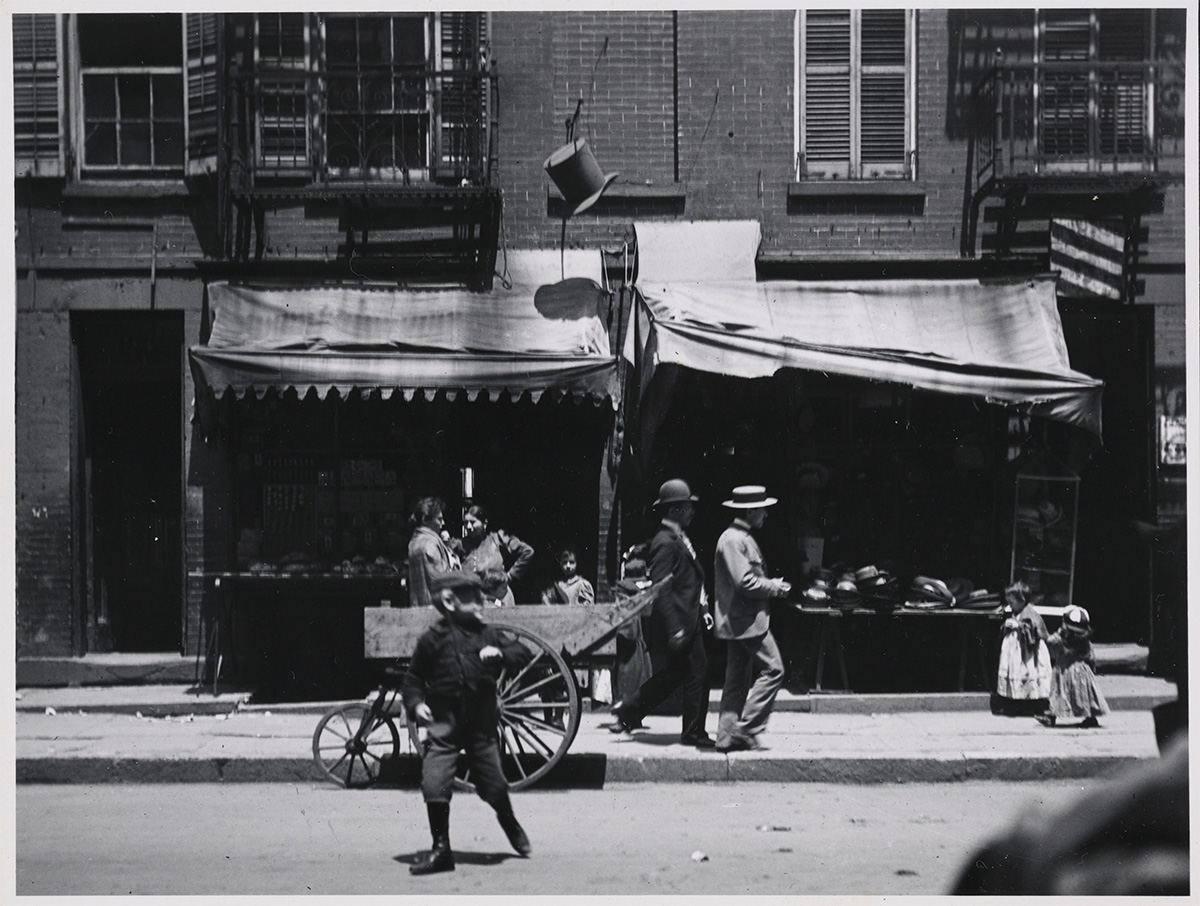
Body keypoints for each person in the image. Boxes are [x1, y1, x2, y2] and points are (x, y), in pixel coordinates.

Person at [402, 570, 534, 875]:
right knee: (433, 782)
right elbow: (413, 682)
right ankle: (441, 850)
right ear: (449, 601)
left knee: (494, 785)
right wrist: (417, 704)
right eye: (473, 597)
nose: (481, 602)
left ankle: (509, 821)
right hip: (445, 726)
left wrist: (500, 652)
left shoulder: (486, 633)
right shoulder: (431, 641)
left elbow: (521, 652)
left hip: (480, 727)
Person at [609, 479, 715, 749]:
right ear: (674, 510)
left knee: (676, 675)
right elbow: (661, 590)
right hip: (680, 623)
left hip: (689, 618)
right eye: (687, 507)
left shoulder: (677, 536)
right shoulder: (665, 542)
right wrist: (675, 628)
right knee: (698, 674)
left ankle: (628, 709)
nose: (692, 511)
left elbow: (690, 580)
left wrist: (702, 608)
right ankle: (693, 732)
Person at [712, 485, 791, 752]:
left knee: (737, 679)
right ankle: (744, 729)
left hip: (740, 621)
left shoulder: (738, 537)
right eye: (762, 509)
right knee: (774, 669)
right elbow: (745, 581)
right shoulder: (734, 540)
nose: (766, 514)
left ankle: (725, 738)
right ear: (750, 510)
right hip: (746, 622)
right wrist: (774, 587)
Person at [1037, 605, 1109, 728]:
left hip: (1064, 670)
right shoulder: (1085, 642)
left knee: (1059, 693)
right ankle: (1090, 717)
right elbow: (1090, 657)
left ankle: (1051, 716)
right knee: (1085, 694)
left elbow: (1050, 644)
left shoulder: (1060, 640)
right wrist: (1092, 668)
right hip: (1082, 671)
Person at [992, 580, 1051, 717]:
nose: (1010, 606)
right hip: (1014, 651)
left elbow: (1034, 631)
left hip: (1028, 652)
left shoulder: (1030, 613)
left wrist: (1018, 626)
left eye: (1012, 603)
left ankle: (1032, 704)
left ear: (1022, 600)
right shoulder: (1015, 613)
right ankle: (1016, 702)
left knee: (1029, 674)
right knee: (1016, 675)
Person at [461, 504, 534, 606]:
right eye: (465, 523)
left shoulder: (498, 539)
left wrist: (510, 576)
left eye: (472, 522)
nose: (468, 527)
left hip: (500, 597)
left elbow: (527, 552)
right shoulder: (460, 545)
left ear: (484, 523)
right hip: (473, 600)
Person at [612, 544, 654, 717]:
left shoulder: (623, 597)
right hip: (636, 643)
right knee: (637, 678)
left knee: (625, 679)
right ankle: (631, 715)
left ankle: (626, 713)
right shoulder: (640, 598)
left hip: (625, 645)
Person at [406, 497, 454, 609]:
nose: (443, 523)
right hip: (435, 611)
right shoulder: (430, 544)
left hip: (420, 609)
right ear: (425, 520)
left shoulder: (415, 542)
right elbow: (442, 581)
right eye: (439, 519)